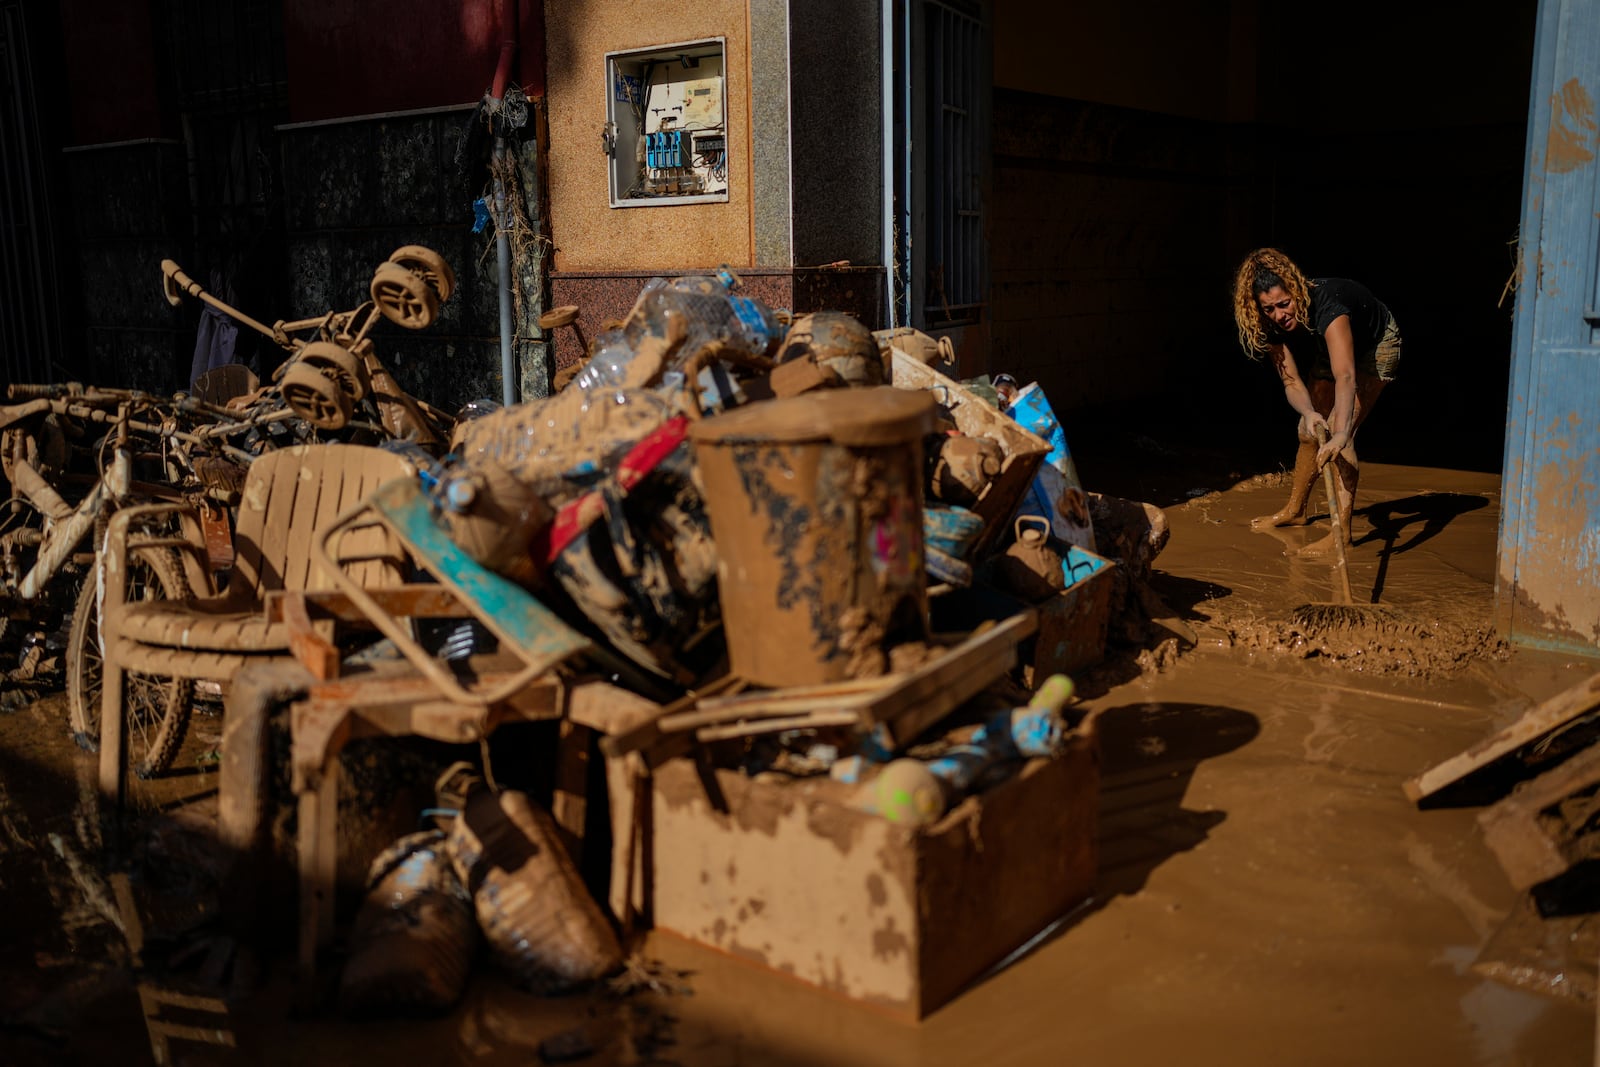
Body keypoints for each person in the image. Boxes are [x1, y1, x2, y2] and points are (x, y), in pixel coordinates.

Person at [1231, 247, 1401, 555]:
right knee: (1307, 428)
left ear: (1296, 290)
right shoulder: (1267, 319)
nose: (1279, 315)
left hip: (1376, 346)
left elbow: (1346, 375)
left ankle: (1342, 535)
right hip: (1332, 345)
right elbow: (1291, 380)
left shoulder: (1330, 305)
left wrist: (1340, 433)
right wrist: (1309, 411)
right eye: (1270, 309)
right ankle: (1296, 511)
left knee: (1341, 432)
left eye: (1284, 304)